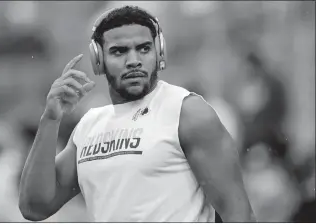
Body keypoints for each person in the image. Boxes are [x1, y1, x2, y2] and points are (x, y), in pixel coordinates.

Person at [18, 5, 256, 222]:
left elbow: (237, 211)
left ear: (159, 53)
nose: (134, 61)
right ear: (98, 60)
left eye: (143, 49)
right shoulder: (90, 125)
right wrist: (50, 119)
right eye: (119, 52)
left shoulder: (187, 113)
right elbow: (34, 207)